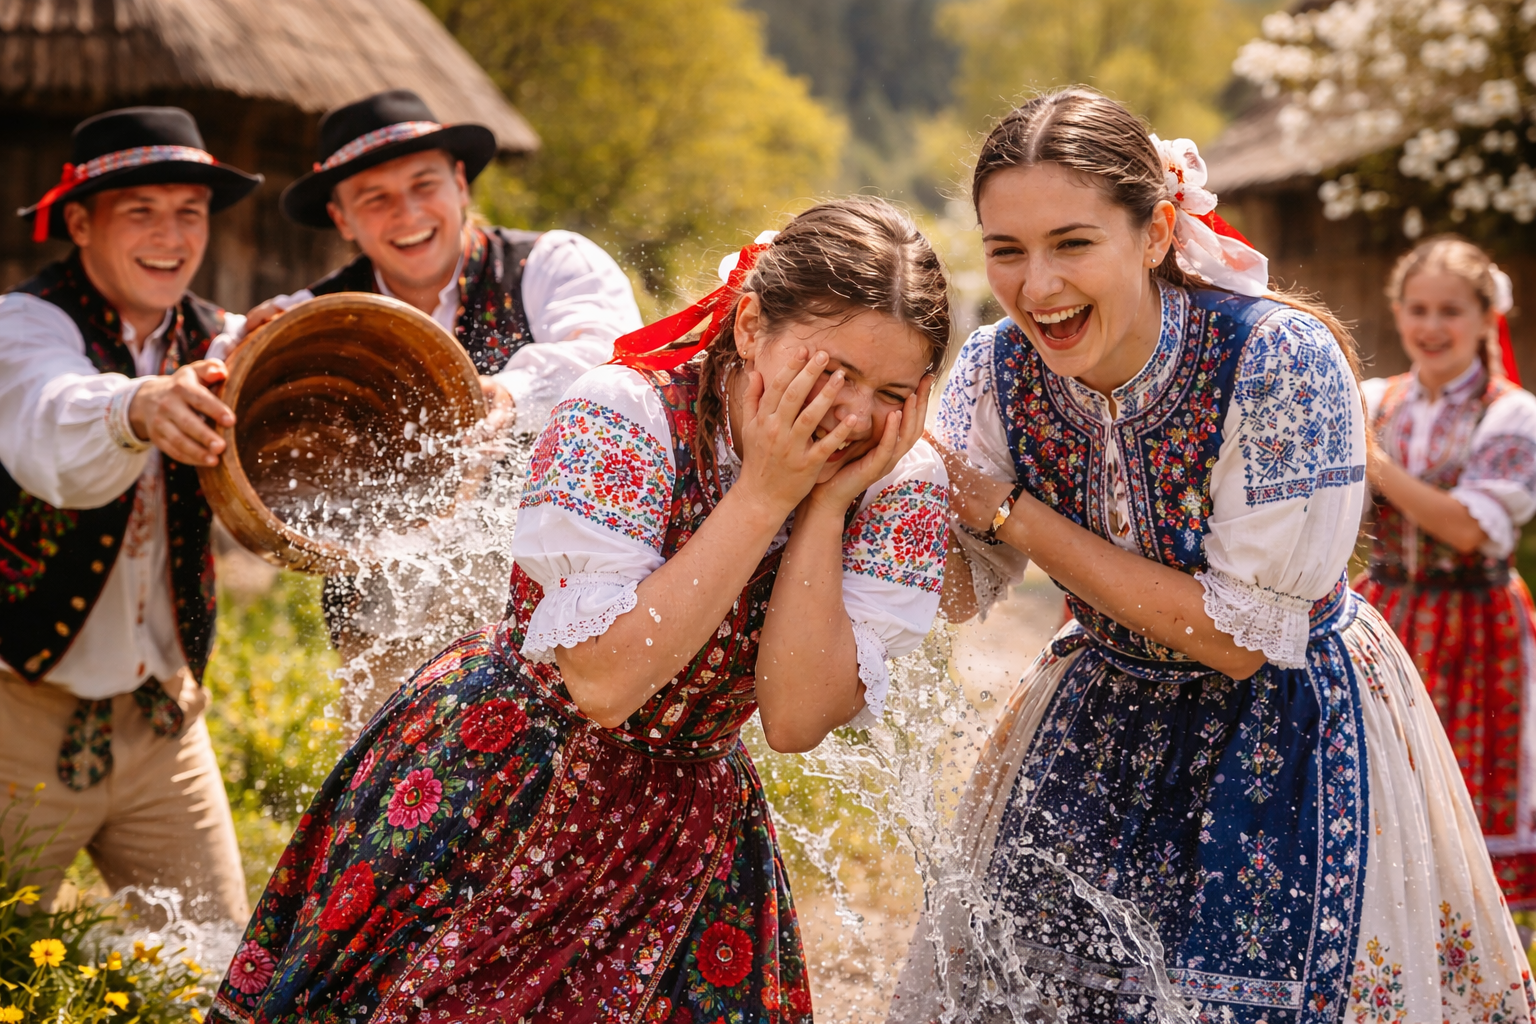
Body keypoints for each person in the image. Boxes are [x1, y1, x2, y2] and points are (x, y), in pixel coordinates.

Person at [210, 197, 952, 1024]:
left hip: (688, 828)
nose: (850, 417)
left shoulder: (898, 482)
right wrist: (765, 491)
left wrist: (818, 507)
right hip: (501, 775)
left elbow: (793, 716)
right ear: (750, 327)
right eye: (832, 374)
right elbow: (602, 682)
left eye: (888, 391)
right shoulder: (626, 411)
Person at [891, 89, 1535, 1023]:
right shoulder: (996, 368)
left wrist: (1009, 514)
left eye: (1073, 243)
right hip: (1098, 719)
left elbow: (1239, 635)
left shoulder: (1280, 360)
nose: (1036, 287)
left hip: (1287, 729)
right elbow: (955, 591)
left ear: (1155, 232)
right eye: (1006, 250)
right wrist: (871, 490)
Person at [242, 89, 643, 725]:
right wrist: (243, 357)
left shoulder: (548, 264)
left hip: (546, 622)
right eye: (373, 198)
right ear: (342, 219)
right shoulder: (310, 320)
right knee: (401, 810)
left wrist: (508, 393)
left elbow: (607, 351)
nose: (406, 213)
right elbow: (223, 371)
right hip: (381, 632)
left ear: (459, 183)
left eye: (423, 184)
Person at [0, 107, 262, 923]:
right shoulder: (23, 327)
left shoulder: (219, 336)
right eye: (140, 210)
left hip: (162, 723)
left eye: (190, 212)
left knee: (215, 968)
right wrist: (139, 407)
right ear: (79, 222)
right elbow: (49, 425)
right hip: (16, 720)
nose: (171, 235)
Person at [1357, 236, 1536, 915]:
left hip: (1476, 622)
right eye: (1418, 309)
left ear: (1487, 316)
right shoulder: (1375, 399)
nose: (1431, 327)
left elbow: (1465, 527)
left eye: (1450, 311)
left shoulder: (1511, 413)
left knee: (1471, 783)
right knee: (1380, 782)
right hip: (1385, 616)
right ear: (1398, 313)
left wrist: (1374, 464)